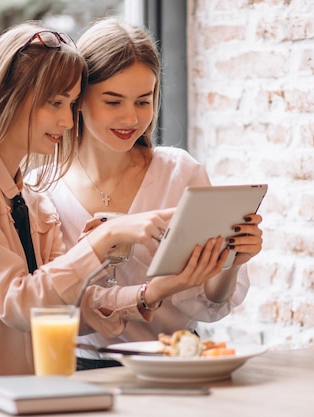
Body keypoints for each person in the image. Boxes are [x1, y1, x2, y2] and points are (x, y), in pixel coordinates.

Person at [0, 21, 226, 387]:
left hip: (20, 395)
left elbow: (63, 308)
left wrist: (155, 291)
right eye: (55, 103)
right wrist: (104, 239)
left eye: (71, 104)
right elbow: (19, 304)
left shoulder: (29, 198)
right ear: (9, 95)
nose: (67, 120)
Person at [47, 17, 264, 370]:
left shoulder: (180, 174)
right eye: (113, 101)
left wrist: (231, 263)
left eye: (143, 101)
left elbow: (213, 303)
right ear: (79, 100)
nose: (131, 118)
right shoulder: (44, 189)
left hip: (175, 361)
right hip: (78, 367)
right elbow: (46, 303)